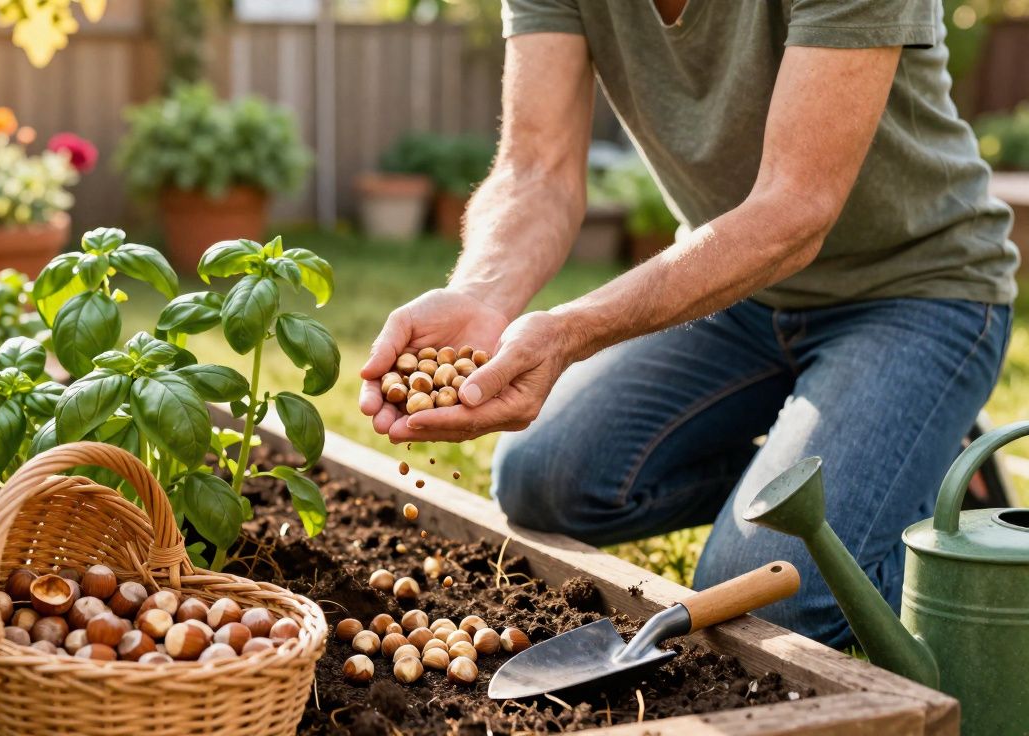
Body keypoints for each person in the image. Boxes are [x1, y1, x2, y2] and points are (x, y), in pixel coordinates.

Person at [358, 0, 1017, 647]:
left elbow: (795, 210)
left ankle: (922, 485)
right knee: (542, 477)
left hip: (915, 292)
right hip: (736, 291)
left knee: (760, 591)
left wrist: (569, 330)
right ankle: (861, 468)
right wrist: (481, 293)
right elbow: (537, 169)